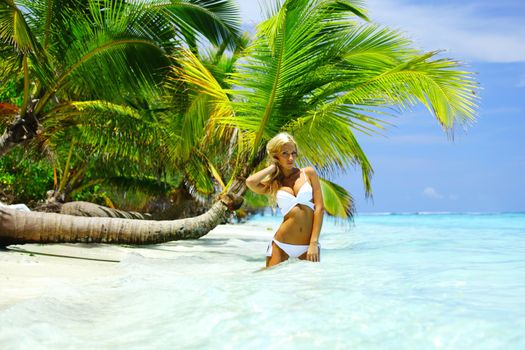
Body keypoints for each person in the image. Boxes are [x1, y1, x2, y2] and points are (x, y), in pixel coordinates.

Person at [246, 133, 324, 267]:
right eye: (285, 153)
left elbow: (320, 208)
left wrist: (314, 242)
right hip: (281, 244)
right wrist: (272, 168)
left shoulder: (308, 173)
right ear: (276, 156)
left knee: (311, 287)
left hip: (308, 246)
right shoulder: (275, 182)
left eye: (293, 153)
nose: (290, 158)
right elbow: (250, 182)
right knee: (271, 284)